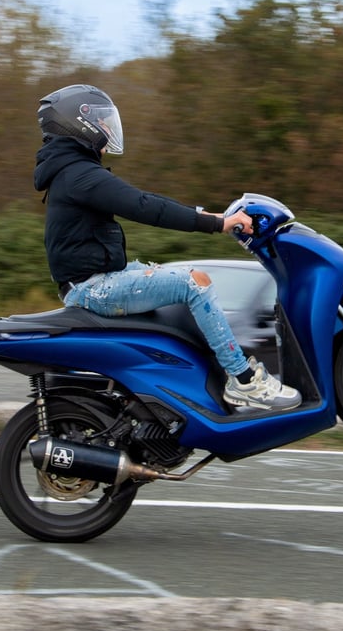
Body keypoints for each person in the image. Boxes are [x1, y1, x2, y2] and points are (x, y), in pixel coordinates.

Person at [33, 83, 301, 413]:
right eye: (102, 120)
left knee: (168, 275)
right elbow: (145, 206)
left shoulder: (72, 172)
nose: (107, 127)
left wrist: (210, 216)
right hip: (93, 288)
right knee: (194, 282)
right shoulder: (79, 175)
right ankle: (243, 380)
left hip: (94, 279)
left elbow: (147, 200)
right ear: (80, 123)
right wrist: (217, 223)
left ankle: (193, 385)